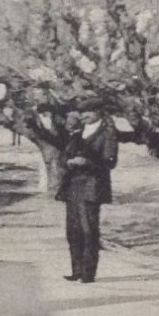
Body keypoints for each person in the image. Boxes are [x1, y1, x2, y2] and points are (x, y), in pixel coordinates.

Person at [56, 109, 118, 283]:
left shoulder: (107, 134)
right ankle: (76, 270)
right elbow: (63, 157)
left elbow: (110, 162)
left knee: (88, 230)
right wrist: (68, 162)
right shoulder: (77, 133)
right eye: (82, 112)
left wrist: (87, 162)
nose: (85, 115)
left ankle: (88, 273)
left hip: (92, 187)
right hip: (72, 187)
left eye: (89, 112)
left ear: (99, 112)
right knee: (72, 230)